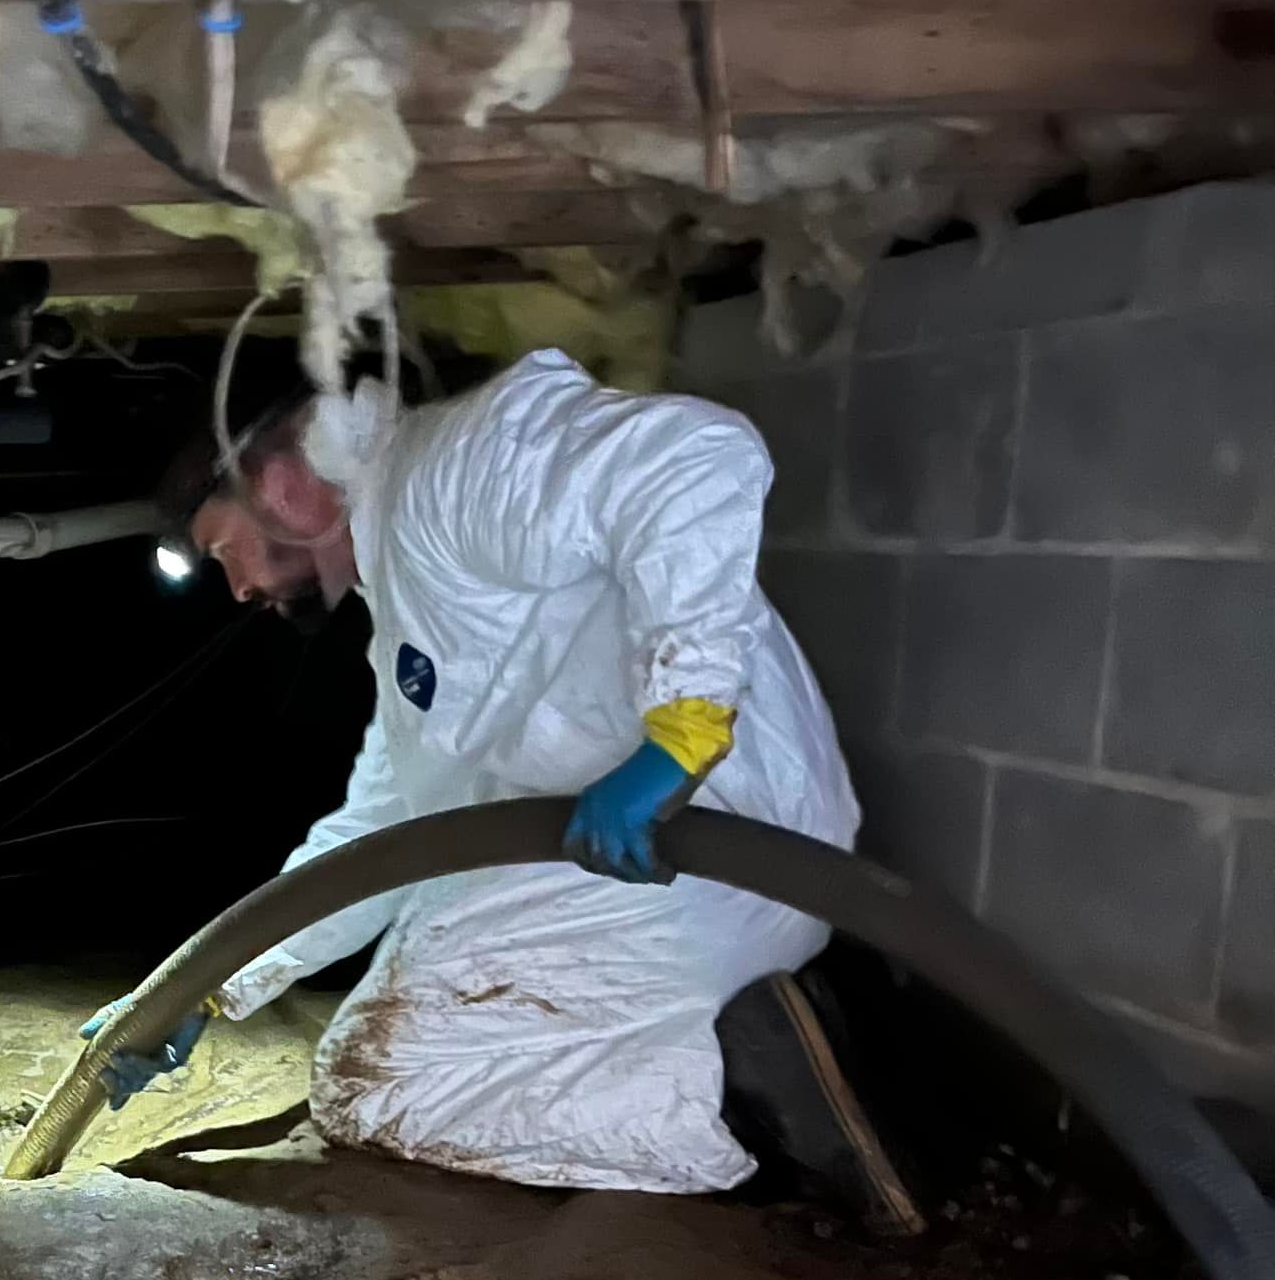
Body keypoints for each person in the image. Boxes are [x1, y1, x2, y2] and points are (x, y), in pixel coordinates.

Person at [93, 347, 859, 1194]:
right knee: (387, 1027)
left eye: (219, 547)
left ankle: (736, 1115)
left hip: (720, 842)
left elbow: (694, 453)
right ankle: (737, 1027)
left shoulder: (451, 466)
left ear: (277, 483)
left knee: (374, 1091)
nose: (234, 587)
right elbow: (378, 841)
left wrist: (681, 733)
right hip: (641, 871)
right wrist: (205, 988)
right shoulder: (407, 629)